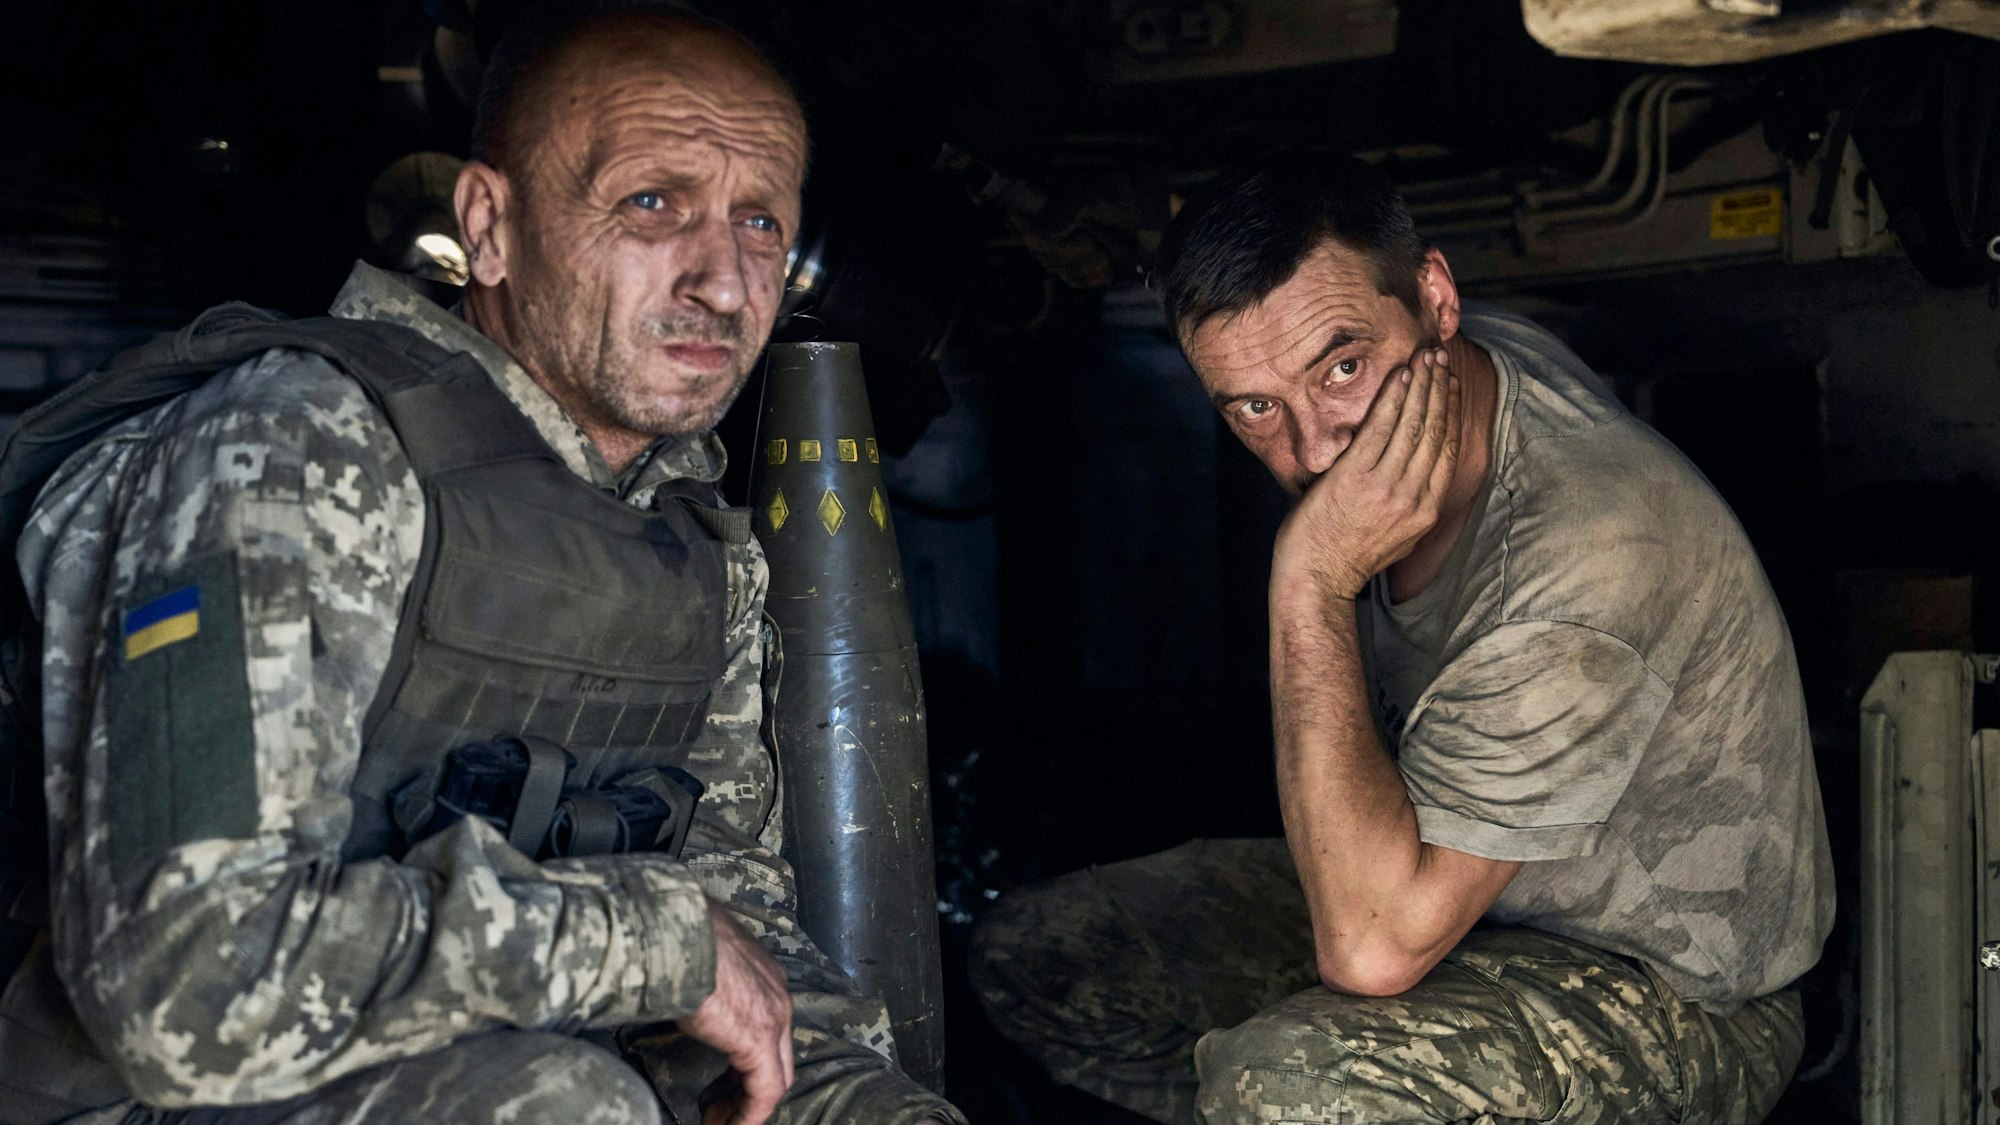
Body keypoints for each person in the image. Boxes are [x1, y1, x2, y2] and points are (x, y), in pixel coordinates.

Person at [8, 5, 961, 1123]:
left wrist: (856, 1100)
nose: (719, 280)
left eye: (760, 224)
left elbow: (734, 935)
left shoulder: (691, 541)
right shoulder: (294, 446)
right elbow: (186, 987)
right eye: (652, 204)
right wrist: (646, 943)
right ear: (489, 225)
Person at [971, 153, 1835, 1124]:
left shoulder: (1586, 552)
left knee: (1292, 1086)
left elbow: (1371, 951)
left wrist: (1309, 579)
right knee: (1048, 960)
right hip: (1461, 907)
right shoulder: (1456, 366)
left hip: (1677, 994)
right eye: (1254, 407)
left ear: (1434, 298)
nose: (1312, 451)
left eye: (1339, 367)